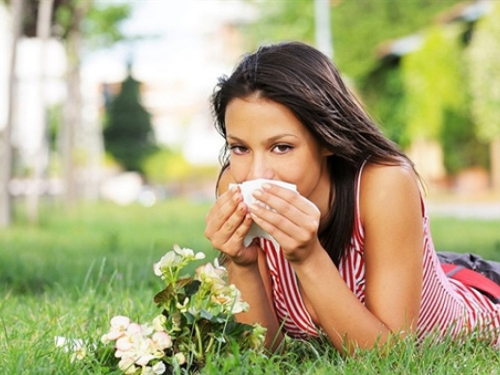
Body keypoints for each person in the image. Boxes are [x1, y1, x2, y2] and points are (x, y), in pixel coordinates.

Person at [204, 41, 500, 354]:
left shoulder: (383, 184)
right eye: (240, 148)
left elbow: (391, 356)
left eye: (282, 147)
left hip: (478, 313)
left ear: (327, 138)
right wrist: (242, 264)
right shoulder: (233, 185)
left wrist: (307, 256)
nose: (256, 173)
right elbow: (264, 354)